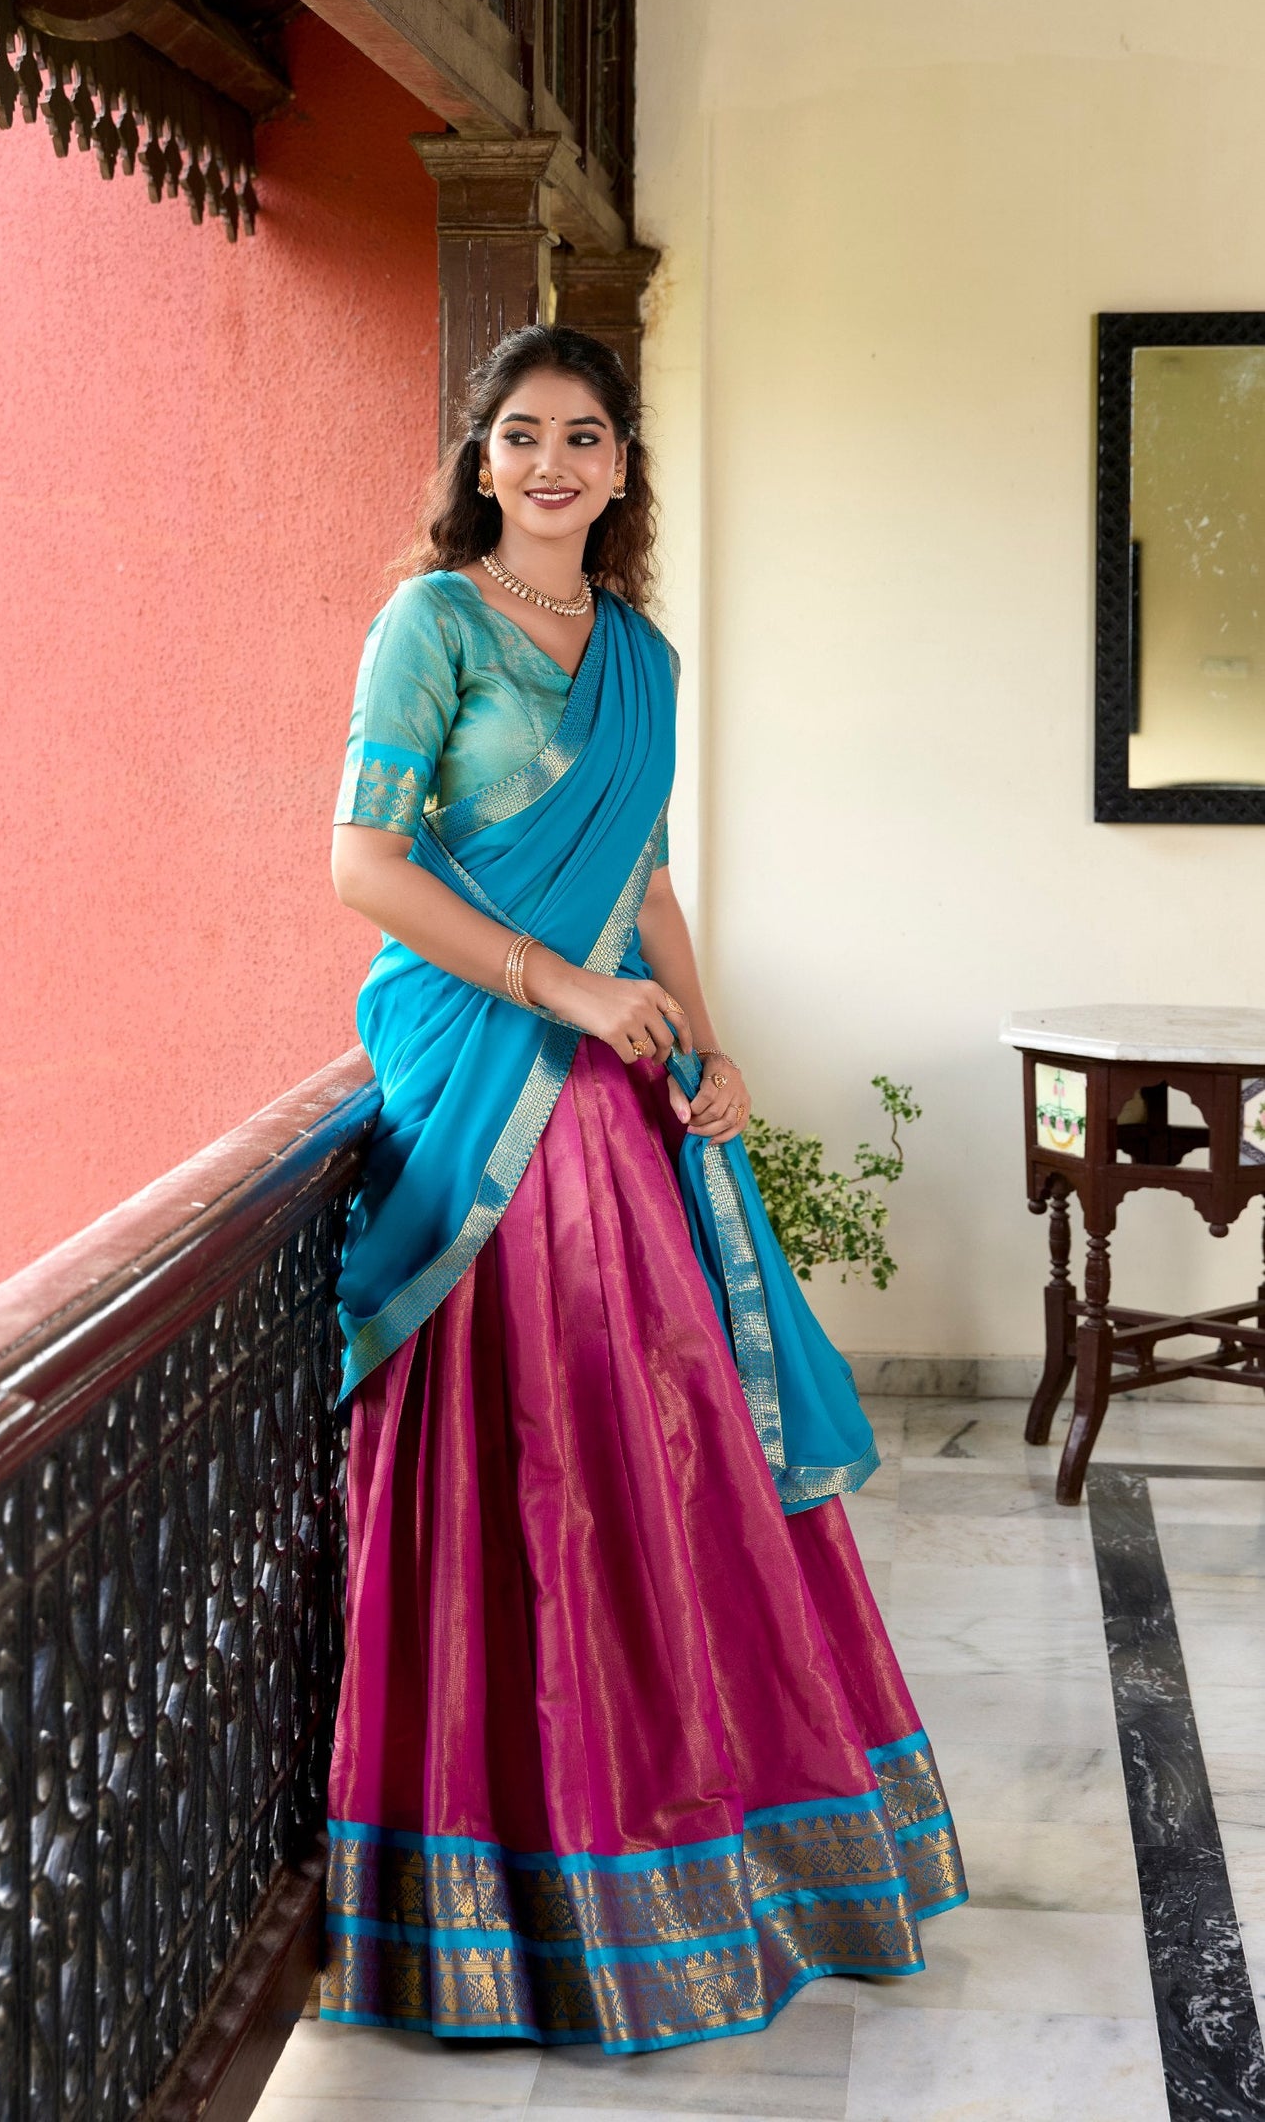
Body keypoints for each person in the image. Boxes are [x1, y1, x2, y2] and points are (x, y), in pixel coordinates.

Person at [320, 323, 965, 2054]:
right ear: (478, 461)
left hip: (615, 1080)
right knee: (541, 1441)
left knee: (667, 1433)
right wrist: (563, 990)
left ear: (620, 469)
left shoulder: (641, 659)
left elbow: (651, 880)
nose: (548, 465)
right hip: (482, 1074)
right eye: (518, 435)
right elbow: (361, 860)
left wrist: (706, 1045)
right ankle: (513, 1870)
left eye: (581, 438)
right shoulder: (430, 627)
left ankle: (702, 1837)